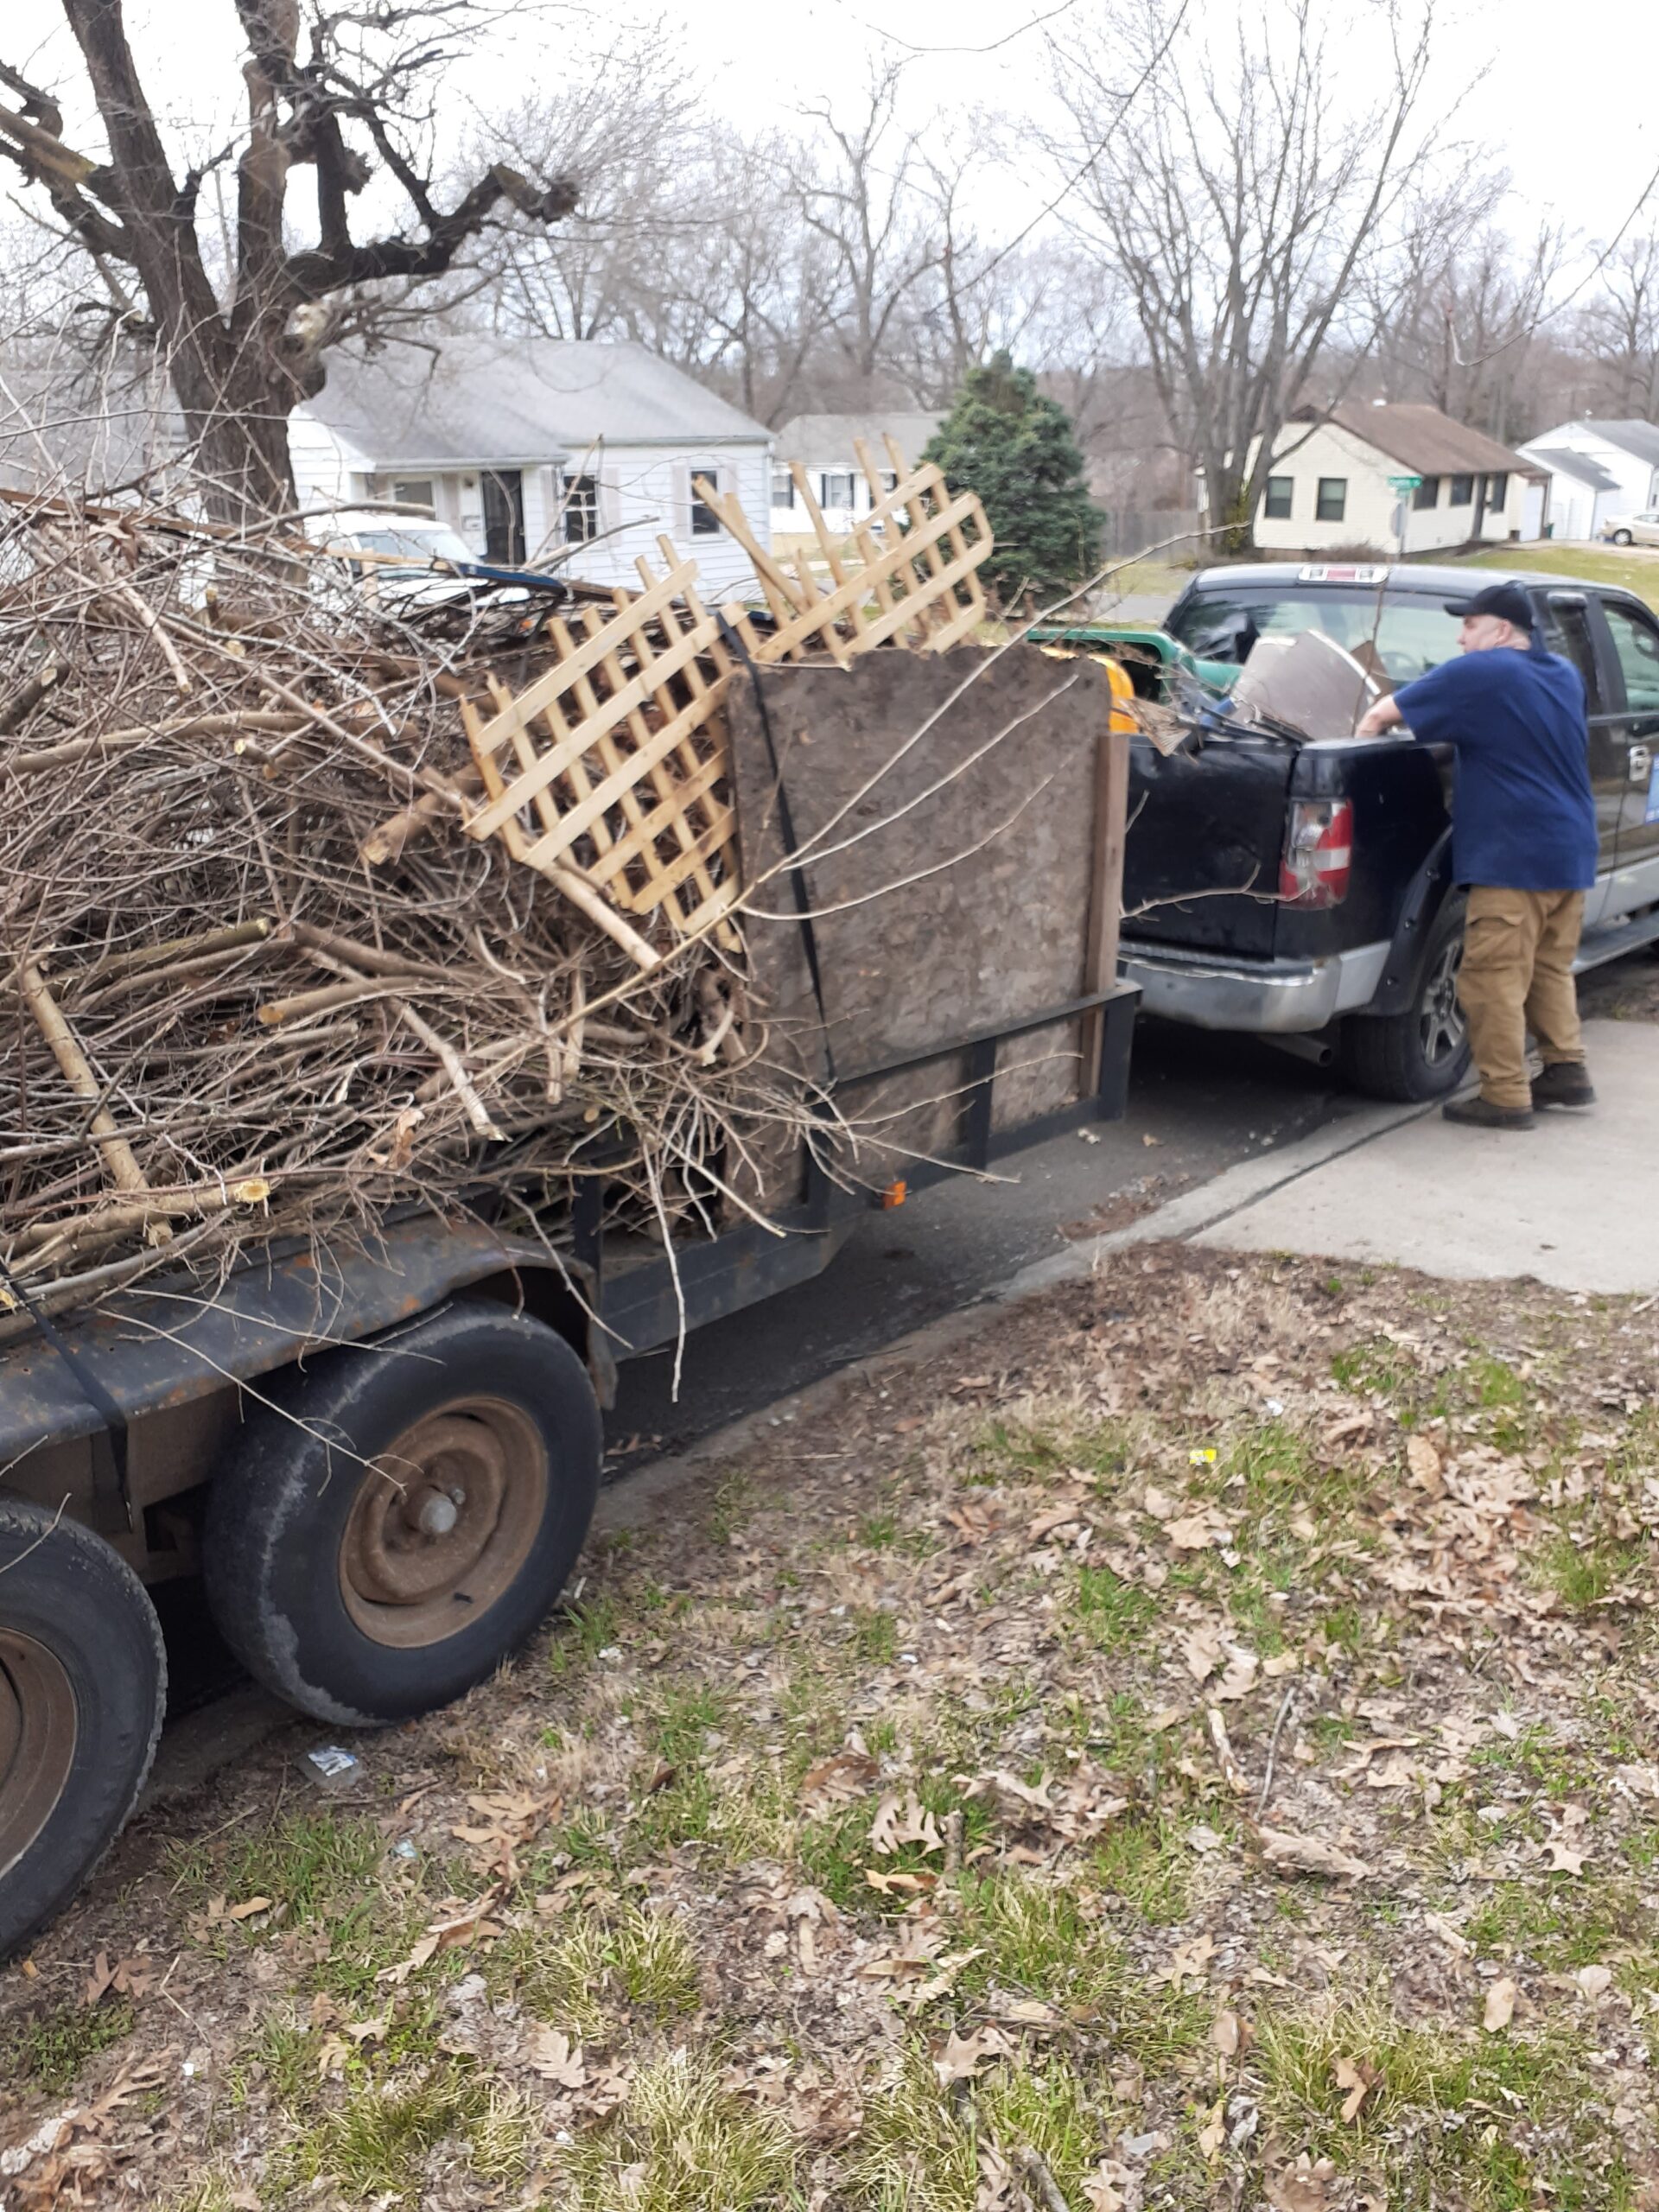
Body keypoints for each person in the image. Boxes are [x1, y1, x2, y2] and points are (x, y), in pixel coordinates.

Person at [1355, 581, 1597, 1130]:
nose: (1461, 638)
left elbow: (1379, 716)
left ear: (1502, 631)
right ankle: (1566, 1069)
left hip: (1515, 858)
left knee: (1490, 978)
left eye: (1469, 625)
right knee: (1547, 970)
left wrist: (1359, 745)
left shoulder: (1484, 672)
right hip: (1572, 850)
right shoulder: (1564, 674)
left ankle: (1506, 1095)